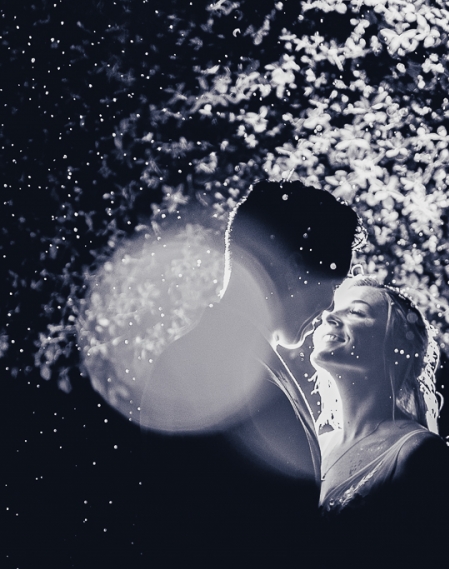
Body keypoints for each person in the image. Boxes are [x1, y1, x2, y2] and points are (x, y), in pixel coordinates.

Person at [140, 180, 359, 484]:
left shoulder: (231, 360)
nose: (330, 305)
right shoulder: (220, 372)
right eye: (331, 285)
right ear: (295, 270)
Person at [310, 279, 445, 513]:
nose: (326, 316)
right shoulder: (315, 445)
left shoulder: (418, 452)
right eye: (332, 309)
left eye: (356, 311)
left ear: (396, 346)